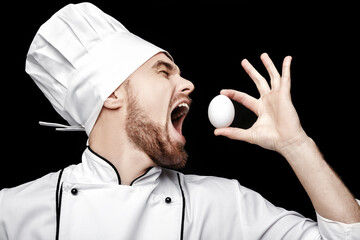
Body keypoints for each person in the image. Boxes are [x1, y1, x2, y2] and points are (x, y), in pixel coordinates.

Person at [0, 2, 359, 240]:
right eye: (163, 71)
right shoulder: (15, 212)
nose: (187, 84)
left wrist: (296, 146)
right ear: (110, 94)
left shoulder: (220, 205)